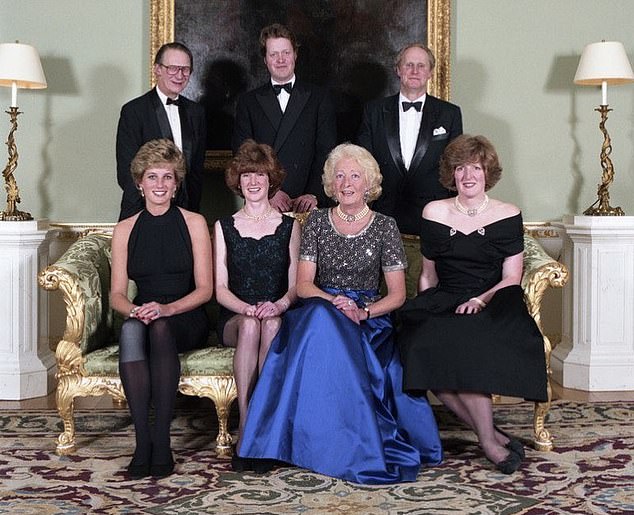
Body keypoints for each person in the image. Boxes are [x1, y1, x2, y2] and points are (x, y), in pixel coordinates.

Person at [237, 143, 442, 484]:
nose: (347, 183)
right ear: (331, 183)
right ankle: (291, 443)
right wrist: (333, 301)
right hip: (321, 306)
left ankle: (351, 446)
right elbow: (303, 285)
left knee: (337, 331)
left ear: (369, 183)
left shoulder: (384, 226)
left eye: (355, 175)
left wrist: (363, 311)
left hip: (369, 318)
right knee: (320, 322)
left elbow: (397, 295)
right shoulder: (316, 221)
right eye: (339, 176)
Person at [397, 135, 548, 475]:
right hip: (446, 296)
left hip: (493, 298)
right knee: (421, 348)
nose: (468, 175)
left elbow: (512, 276)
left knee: (467, 346)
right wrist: (426, 310)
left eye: (476, 168)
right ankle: (490, 433)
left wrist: (480, 299)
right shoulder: (434, 211)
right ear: (451, 174)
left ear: (487, 172)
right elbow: (428, 275)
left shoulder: (508, 213)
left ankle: (491, 444)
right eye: (460, 168)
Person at [110, 139, 213, 479]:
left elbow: (205, 290)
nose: (159, 185)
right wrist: (135, 310)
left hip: (185, 315)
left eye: (167, 177)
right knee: (131, 328)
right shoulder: (125, 229)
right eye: (152, 177)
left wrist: (168, 310)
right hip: (144, 313)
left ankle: (162, 440)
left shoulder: (194, 222)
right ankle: (143, 441)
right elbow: (117, 295)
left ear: (176, 183)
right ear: (139, 183)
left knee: (161, 327)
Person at [213, 140, 301, 471]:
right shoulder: (223, 226)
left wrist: (279, 305)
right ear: (238, 180)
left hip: (277, 314)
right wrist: (246, 308)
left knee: (272, 324)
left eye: (260, 175)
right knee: (252, 324)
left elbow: (296, 286)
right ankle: (249, 424)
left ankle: (266, 425)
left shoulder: (290, 227)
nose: (253, 182)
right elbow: (220, 289)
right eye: (247, 175)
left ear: (271, 180)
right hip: (235, 317)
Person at [357, 42, 462, 282]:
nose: (415, 70)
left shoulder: (450, 113)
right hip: (383, 215)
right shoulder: (374, 111)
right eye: (409, 65)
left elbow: (454, 167)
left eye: (421, 65)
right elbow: (363, 163)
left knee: (426, 292)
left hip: (431, 219)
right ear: (398, 70)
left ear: (430, 72)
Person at [232, 23, 337, 213]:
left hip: (309, 204)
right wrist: (271, 192)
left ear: (295, 55)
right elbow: (244, 156)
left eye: (286, 53)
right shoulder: (248, 102)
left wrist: (314, 194)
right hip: (265, 202)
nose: (281, 60)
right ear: (265, 59)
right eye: (273, 54)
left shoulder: (320, 98)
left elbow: (327, 153)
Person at [116, 42, 207, 220]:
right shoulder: (133, 111)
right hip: (141, 213)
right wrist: (153, 211)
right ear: (157, 69)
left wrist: (191, 213)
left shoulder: (197, 113)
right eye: (173, 68)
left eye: (185, 69)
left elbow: (196, 171)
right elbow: (126, 172)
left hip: (185, 213)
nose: (180, 75)